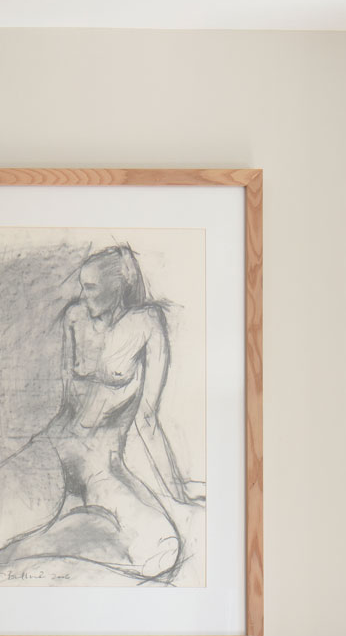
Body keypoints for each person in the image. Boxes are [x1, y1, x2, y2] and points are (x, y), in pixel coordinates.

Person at [0, 244, 203, 584]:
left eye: (91, 286)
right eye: (82, 285)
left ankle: (37, 545)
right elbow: (65, 402)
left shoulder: (148, 323)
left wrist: (176, 492)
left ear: (117, 284)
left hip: (101, 467)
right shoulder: (75, 318)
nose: (83, 293)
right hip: (53, 448)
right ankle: (39, 536)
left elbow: (148, 419)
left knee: (161, 549)